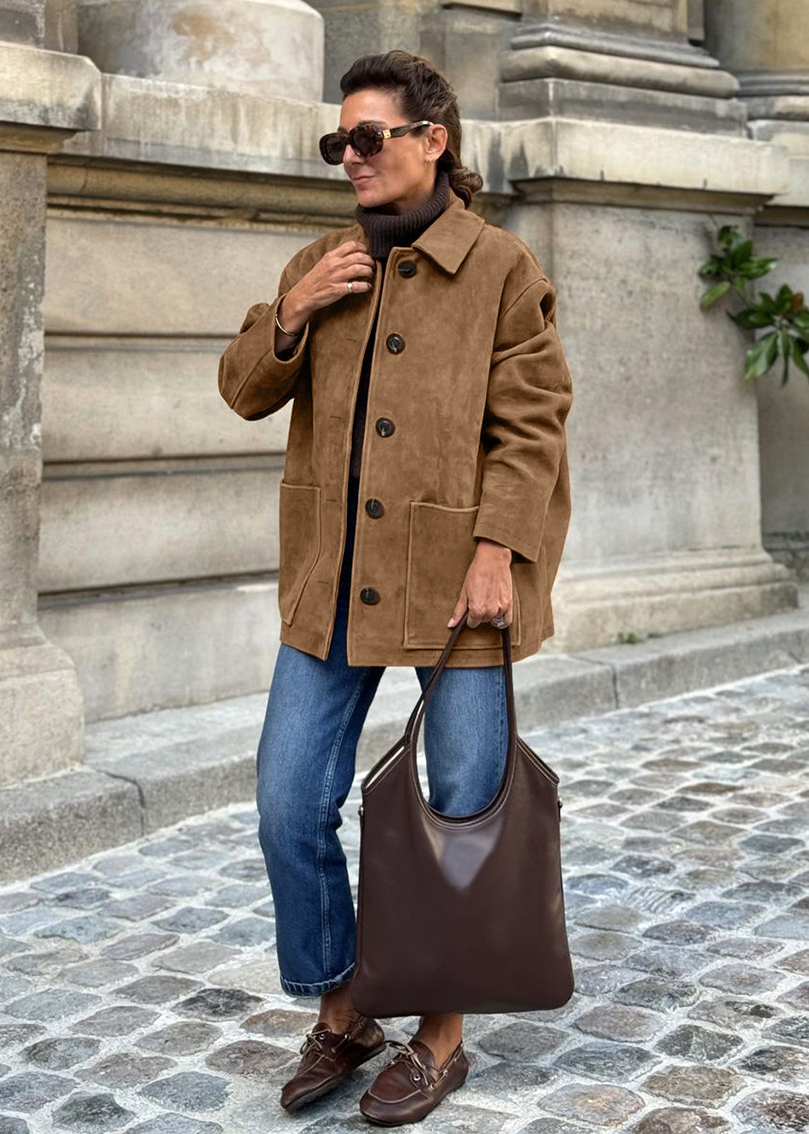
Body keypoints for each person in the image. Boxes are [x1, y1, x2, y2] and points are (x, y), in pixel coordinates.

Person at [217, 49, 573, 1127]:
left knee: (460, 806)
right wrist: (292, 310)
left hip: (457, 581)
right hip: (333, 577)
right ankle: (345, 1008)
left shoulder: (500, 267)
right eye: (339, 141)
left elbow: (532, 425)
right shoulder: (321, 261)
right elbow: (243, 390)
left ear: (433, 140)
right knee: (288, 801)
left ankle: (440, 1035)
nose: (351, 157)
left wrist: (496, 550)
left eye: (369, 137)